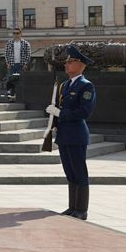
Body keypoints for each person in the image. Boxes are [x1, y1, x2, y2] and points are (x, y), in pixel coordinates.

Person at [46, 45, 96, 221]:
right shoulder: (64, 85)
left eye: (70, 62)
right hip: (64, 135)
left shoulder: (86, 86)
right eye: (66, 62)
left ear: (80, 64)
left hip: (76, 135)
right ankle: (72, 207)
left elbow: (84, 112)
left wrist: (61, 114)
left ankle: (81, 209)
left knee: (79, 172)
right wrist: (54, 123)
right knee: (70, 172)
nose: (66, 65)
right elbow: (60, 107)